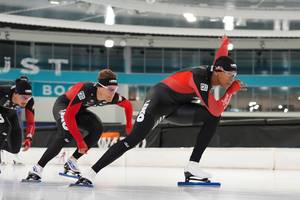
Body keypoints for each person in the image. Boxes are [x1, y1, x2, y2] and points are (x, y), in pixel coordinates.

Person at [72, 37, 244, 187]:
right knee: (131, 141)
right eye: (231, 75)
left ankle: (192, 166)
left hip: (178, 105)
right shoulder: (200, 78)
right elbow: (215, 107)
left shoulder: (217, 70)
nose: (233, 79)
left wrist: (225, 43)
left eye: (234, 76)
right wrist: (230, 92)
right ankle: (90, 173)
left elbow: (220, 59)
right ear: (219, 72)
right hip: (158, 102)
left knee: (212, 118)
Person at [24, 69, 133, 181]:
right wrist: (80, 141)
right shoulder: (86, 91)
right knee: (66, 135)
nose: (113, 93)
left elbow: (128, 105)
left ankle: (72, 161)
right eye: (110, 89)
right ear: (100, 87)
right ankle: (37, 169)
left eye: (115, 89)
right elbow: (68, 116)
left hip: (78, 110)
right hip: (64, 105)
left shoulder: (113, 97)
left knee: (97, 128)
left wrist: (129, 125)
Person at [0, 76, 35, 173]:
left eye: (28, 97)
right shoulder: (3, 92)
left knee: (15, 148)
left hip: (11, 114)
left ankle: (2, 147)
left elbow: (31, 122)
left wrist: (29, 137)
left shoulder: (29, 101)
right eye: (23, 97)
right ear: (15, 93)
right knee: (5, 127)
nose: (26, 100)